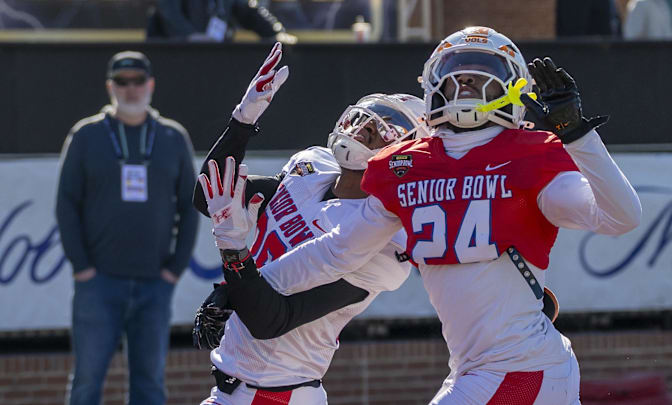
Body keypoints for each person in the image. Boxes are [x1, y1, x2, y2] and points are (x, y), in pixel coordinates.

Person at [202, 27, 642, 404]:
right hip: (475, 368)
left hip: (519, 365)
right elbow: (335, 251)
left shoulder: (527, 154)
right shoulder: (406, 167)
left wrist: (578, 137)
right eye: (458, 74)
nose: (467, 84)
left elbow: (620, 218)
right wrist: (236, 284)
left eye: (480, 75)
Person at [192, 43, 428, 404]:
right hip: (241, 388)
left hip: (274, 394)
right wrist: (243, 120)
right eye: (365, 117)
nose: (365, 128)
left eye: (387, 128)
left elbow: (270, 320)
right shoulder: (310, 169)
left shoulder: (381, 240)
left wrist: (233, 252)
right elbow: (208, 196)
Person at [56, 51, 197, 405]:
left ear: (150, 85)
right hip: (98, 284)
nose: (131, 89)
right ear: (110, 87)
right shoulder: (86, 135)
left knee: (149, 384)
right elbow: (66, 205)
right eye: (122, 82)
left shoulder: (171, 137)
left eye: (138, 81)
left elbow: (190, 207)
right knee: (87, 382)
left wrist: (174, 271)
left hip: (154, 285)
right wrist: (82, 268)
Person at [146, 0, 297, 44]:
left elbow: (247, 11)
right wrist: (191, 36)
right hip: (177, 57)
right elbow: (169, 13)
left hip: (216, 57)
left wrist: (276, 33)